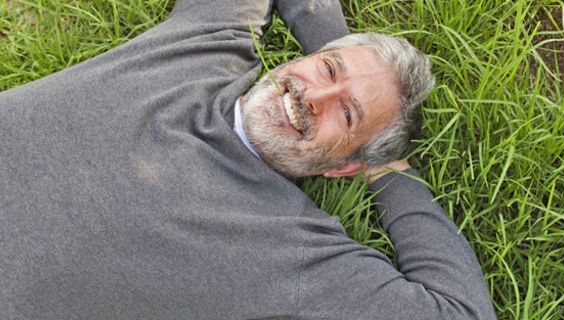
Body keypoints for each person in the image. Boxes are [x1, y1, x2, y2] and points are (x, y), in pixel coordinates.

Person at [0, 0, 496, 319]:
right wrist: (336, 49)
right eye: (327, 69)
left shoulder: (293, 252)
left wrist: (390, 171)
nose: (313, 96)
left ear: (343, 165)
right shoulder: (211, 45)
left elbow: (458, 313)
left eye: (346, 114)